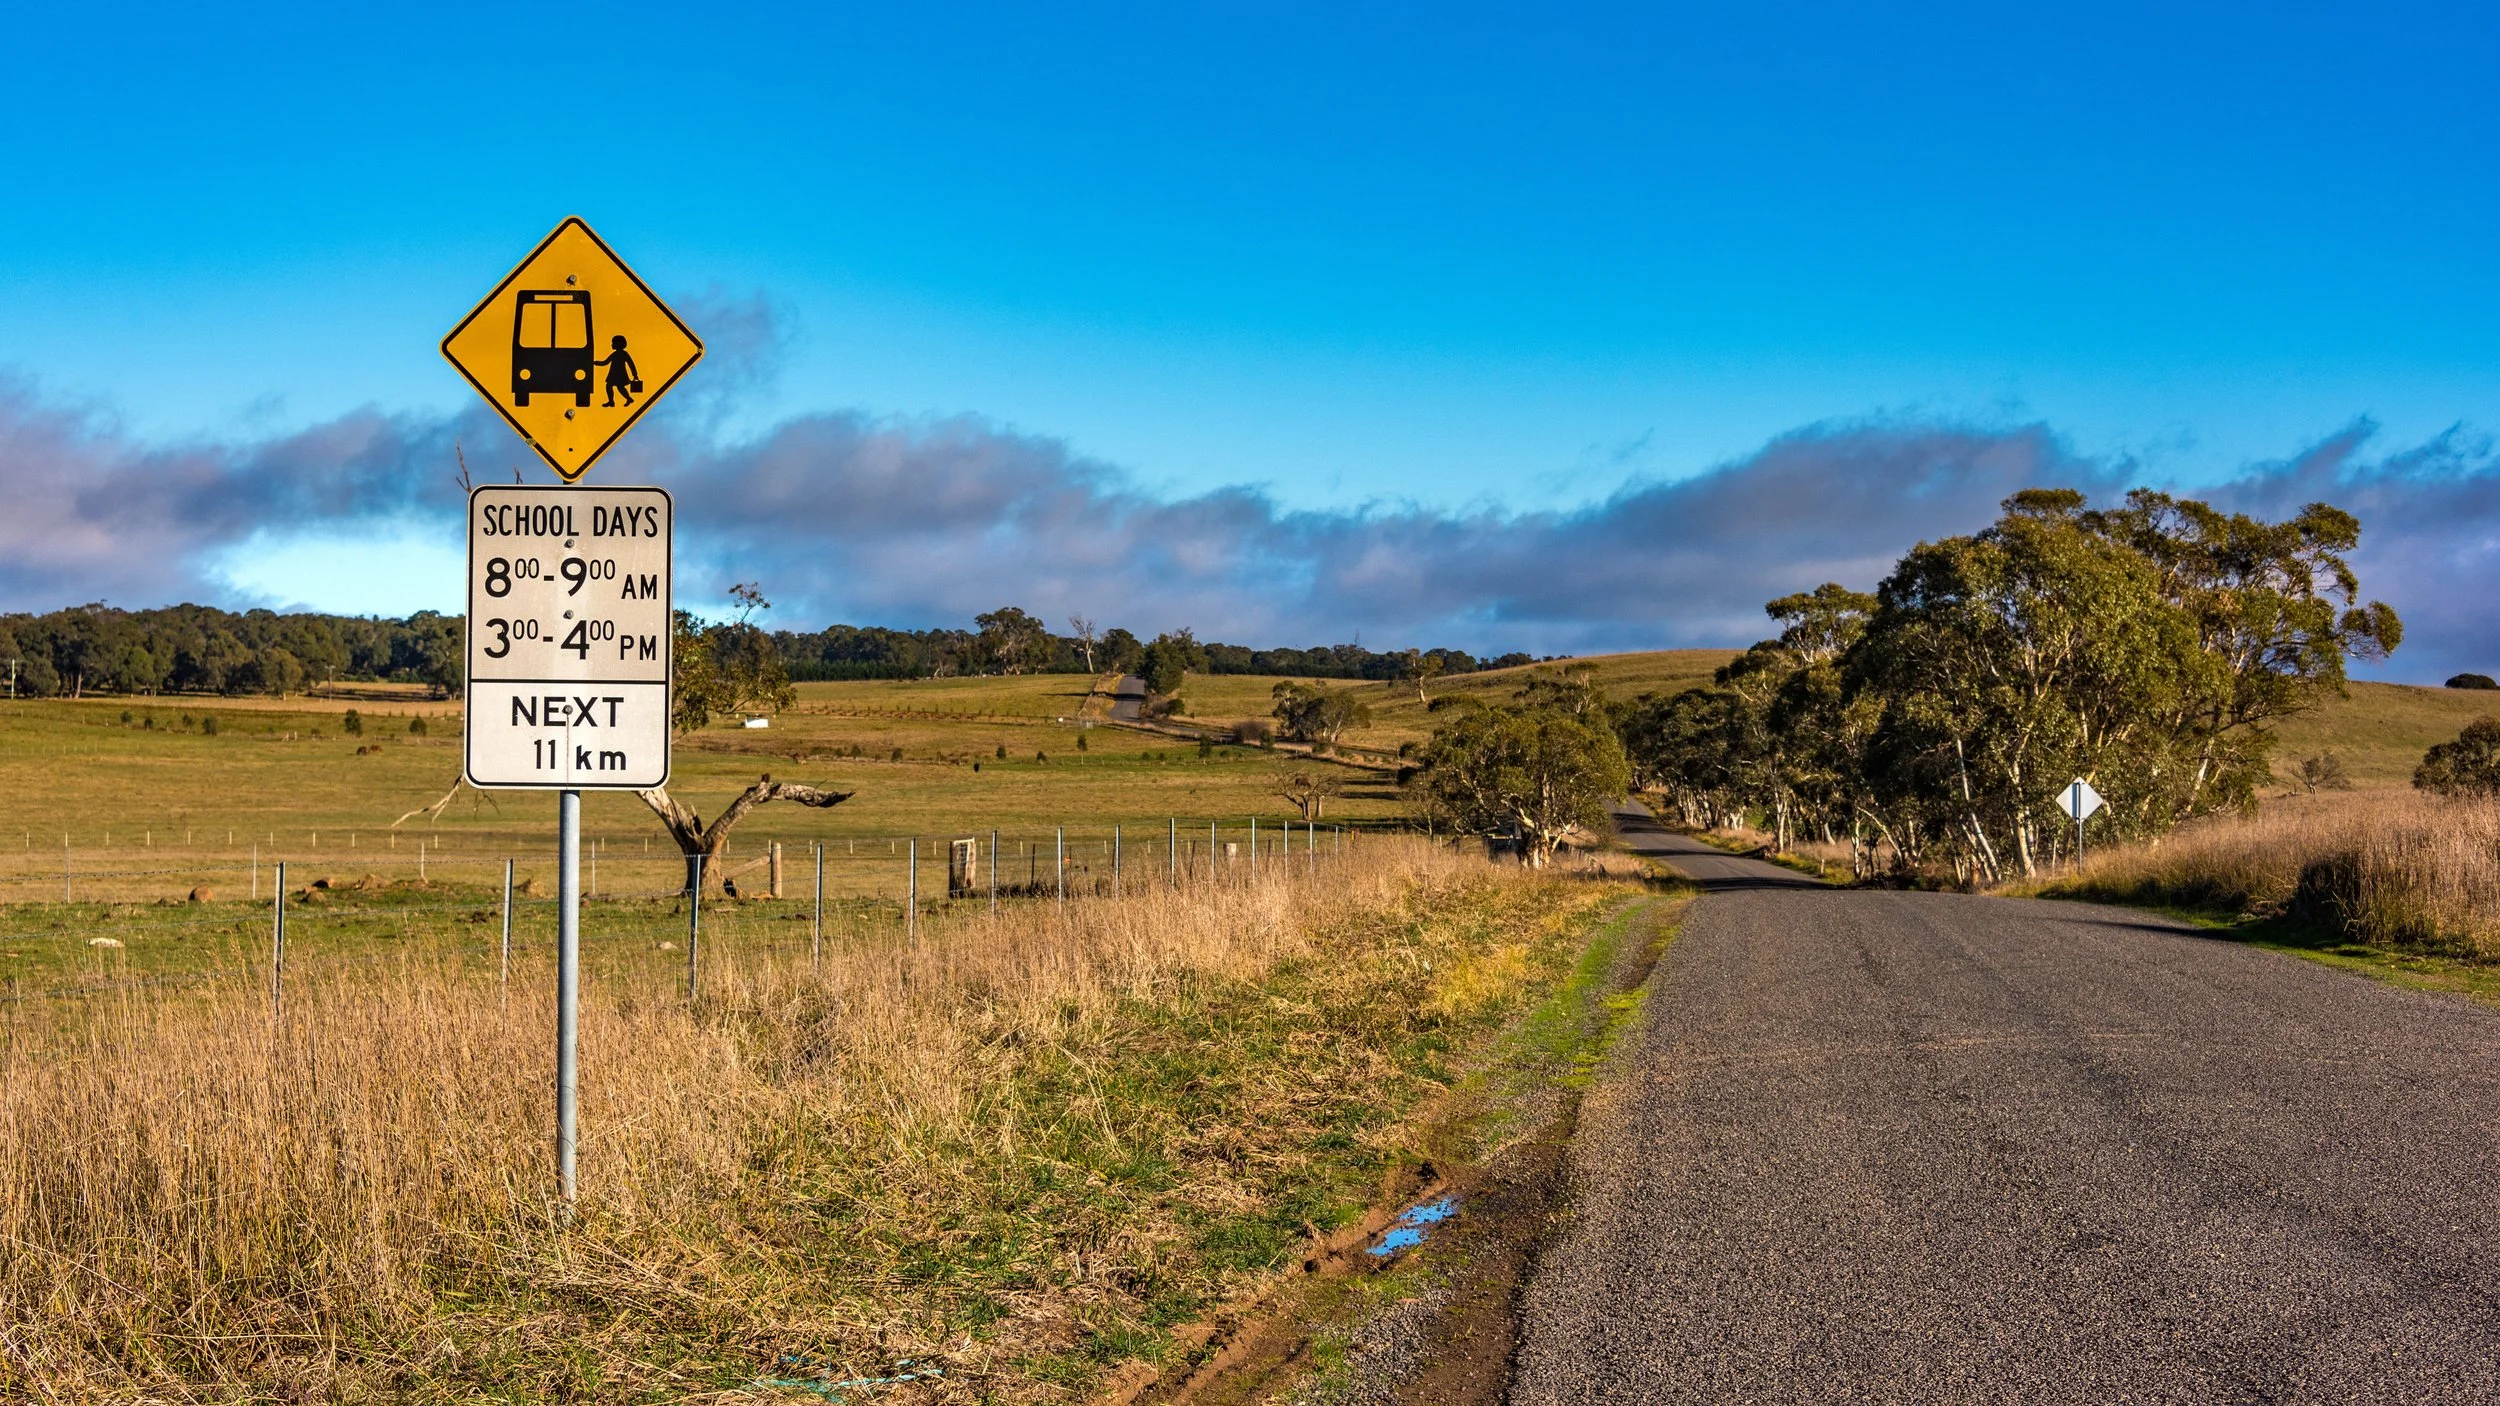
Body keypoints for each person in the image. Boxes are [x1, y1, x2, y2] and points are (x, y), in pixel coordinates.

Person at [594, 335, 639, 408]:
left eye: (613, 343)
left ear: (618, 344)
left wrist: (635, 375)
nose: (612, 345)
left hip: (620, 374)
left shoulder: (624, 354)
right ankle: (612, 401)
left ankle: (628, 399)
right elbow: (605, 362)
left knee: (619, 387)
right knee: (610, 386)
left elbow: (631, 364)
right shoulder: (614, 354)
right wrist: (596, 363)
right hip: (613, 374)